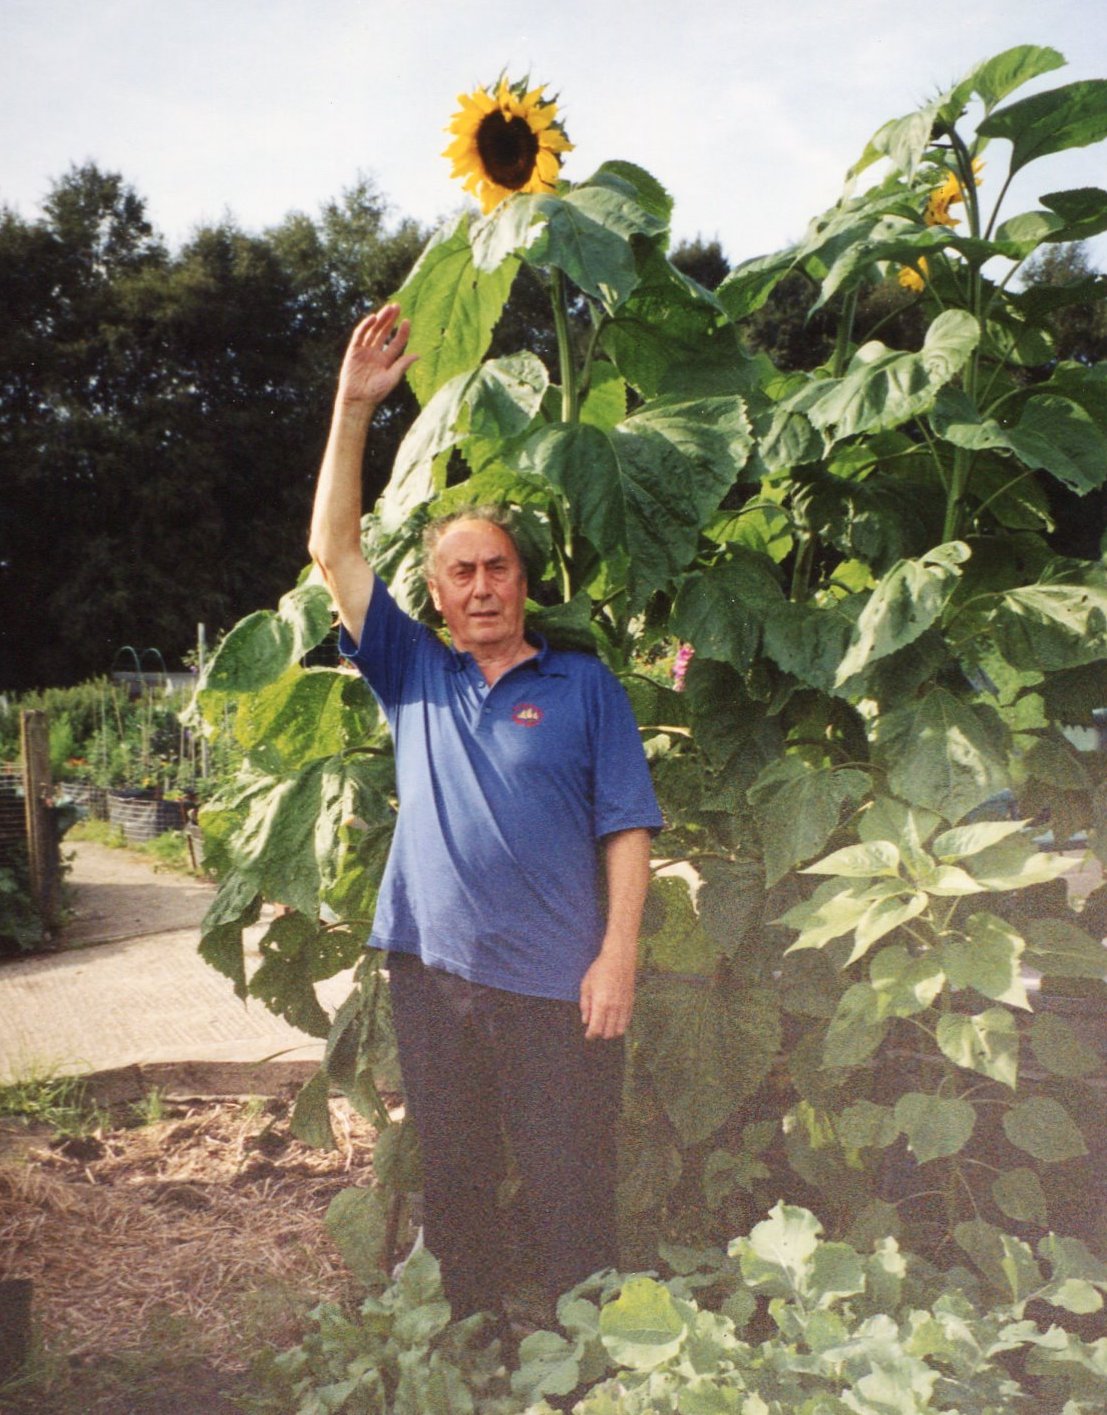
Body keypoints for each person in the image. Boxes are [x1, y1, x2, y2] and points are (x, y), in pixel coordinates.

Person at [308, 304, 663, 1327]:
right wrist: (352, 406)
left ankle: (585, 1363)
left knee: (569, 1190)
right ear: (435, 589)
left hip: (563, 983)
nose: (480, 587)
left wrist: (619, 955)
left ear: (523, 577)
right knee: (456, 1185)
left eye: (496, 566)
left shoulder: (586, 685)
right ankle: (468, 1352)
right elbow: (333, 548)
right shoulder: (412, 669)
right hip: (437, 974)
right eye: (459, 572)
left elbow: (627, 826)